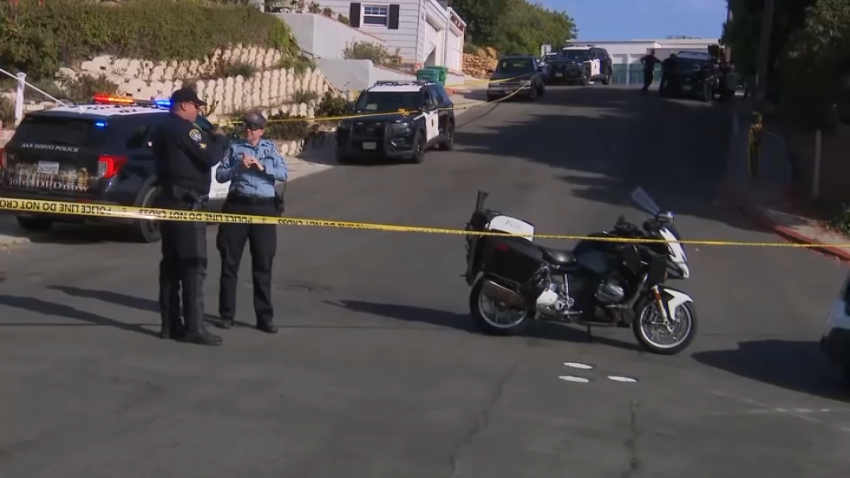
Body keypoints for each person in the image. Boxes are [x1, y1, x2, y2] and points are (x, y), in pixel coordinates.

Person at [151, 87, 229, 346]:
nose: (198, 111)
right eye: (196, 106)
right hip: (186, 203)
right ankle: (194, 328)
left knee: (170, 265)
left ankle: (170, 324)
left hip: (167, 200)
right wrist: (219, 137)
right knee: (194, 266)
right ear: (184, 105)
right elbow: (210, 156)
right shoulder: (186, 129)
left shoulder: (162, 127)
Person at [214, 111, 288, 334]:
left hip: (264, 207)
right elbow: (220, 175)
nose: (249, 130)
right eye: (246, 126)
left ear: (262, 131)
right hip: (238, 204)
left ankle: (265, 318)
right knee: (229, 262)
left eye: (254, 127)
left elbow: (284, 174)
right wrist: (239, 168)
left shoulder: (270, 149)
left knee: (263, 264)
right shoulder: (234, 148)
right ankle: (227, 315)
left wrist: (262, 168)